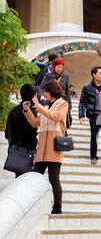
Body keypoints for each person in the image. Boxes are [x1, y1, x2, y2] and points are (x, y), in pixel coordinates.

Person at [22, 80, 69, 215]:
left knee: (54, 178)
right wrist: (27, 110)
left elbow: (55, 117)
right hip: (42, 147)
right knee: (35, 177)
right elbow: (35, 123)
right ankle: (30, 204)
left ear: (51, 91)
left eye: (45, 91)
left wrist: (39, 106)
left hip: (54, 147)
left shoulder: (63, 103)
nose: (43, 94)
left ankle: (57, 207)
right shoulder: (45, 106)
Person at [5, 84, 38, 178]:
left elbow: (7, 134)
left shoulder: (13, 111)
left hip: (15, 149)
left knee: (18, 177)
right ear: (33, 96)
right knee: (27, 177)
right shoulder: (33, 112)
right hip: (29, 149)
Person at [41, 56, 72, 127]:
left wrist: (69, 106)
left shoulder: (66, 76)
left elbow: (67, 91)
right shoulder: (48, 76)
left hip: (62, 101)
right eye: (58, 67)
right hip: (51, 101)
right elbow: (41, 88)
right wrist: (42, 95)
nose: (60, 69)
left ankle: (62, 136)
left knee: (61, 123)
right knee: (51, 122)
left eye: (61, 67)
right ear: (54, 66)